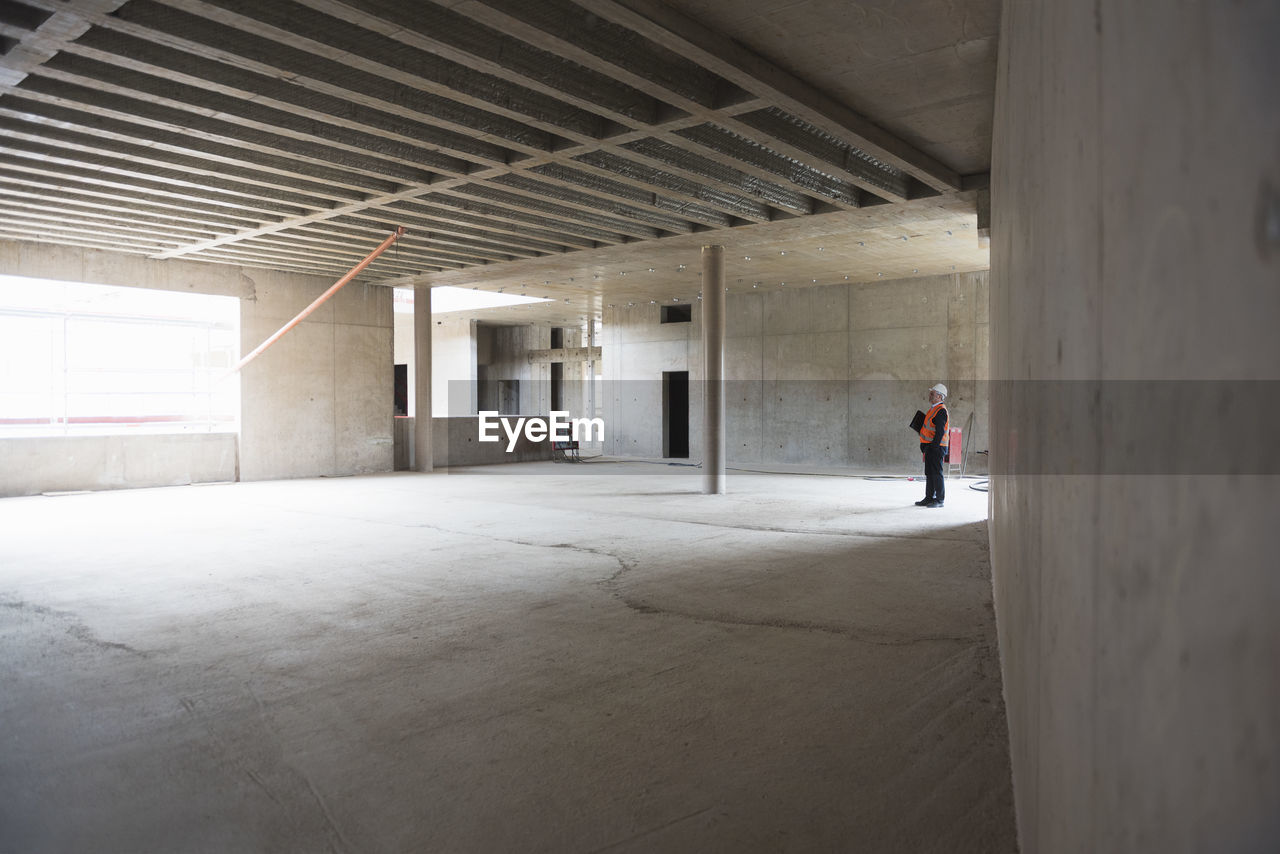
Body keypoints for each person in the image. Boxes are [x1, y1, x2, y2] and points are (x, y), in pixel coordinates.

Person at [916, 383, 949, 507]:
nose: (930, 395)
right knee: (929, 473)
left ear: (939, 397)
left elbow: (940, 432)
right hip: (930, 446)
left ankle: (940, 500)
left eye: (932, 393)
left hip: (937, 447)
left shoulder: (940, 411)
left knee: (936, 473)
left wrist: (933, 447)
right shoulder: (933, 409)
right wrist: (925, 445)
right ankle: (929, 497)